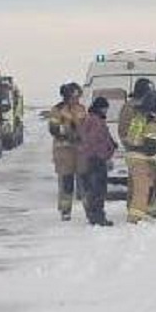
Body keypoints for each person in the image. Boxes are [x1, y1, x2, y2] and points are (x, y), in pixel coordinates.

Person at [122, 89, 156, 224]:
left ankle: (141, 214)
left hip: (133, 154)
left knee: (143, 186)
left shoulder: (138, 116)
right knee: (141, 189)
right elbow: (150, 144)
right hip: (140, 156)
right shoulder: (150, 120)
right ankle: (134, 219)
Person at [48, 82, 87, 221]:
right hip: (63, 150)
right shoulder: (57, 110)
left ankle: (89, 209)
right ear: (67, 96)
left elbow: (86, 125)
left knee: (84, 180)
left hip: (79, 150)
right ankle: (65, 210)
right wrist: (70, 131)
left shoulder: (81, 109)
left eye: (78, 96)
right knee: (66, 181)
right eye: (75, 96)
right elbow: (54, 129)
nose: (77, 99)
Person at [78, 95, 117, 226]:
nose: (106, 111)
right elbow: (94, 141)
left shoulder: (91, 119)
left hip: (88, 159)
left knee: (92, 190)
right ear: (101, 108)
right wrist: (104, 154)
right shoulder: (95, 121)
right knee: (98, 191)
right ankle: (98, 218)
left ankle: (94, 216)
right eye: (105, 108)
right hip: (95, 160)